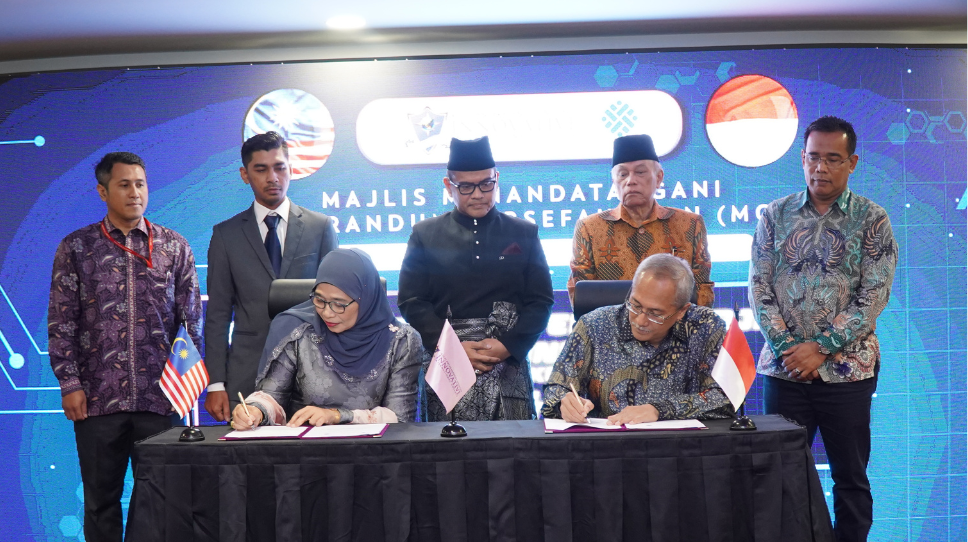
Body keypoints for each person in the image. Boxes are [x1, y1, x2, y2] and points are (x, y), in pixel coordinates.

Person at [749, 115, 897, 542]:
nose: (821, 167)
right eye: (814, 156)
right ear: (803, 157)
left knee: (850, 476)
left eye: (833, 159)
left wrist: (823, 347)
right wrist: (792, 348)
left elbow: (874, 297)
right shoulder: (774, 215)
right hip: (785, 371)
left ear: (851, 163)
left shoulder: (872, 219)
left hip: (847, 372)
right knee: (779, 476)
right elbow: (759, 289)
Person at [48, 152, 202, 542]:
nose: (135, 192)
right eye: (124, 185)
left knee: (163, 496)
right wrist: (70, 381)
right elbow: (61, 321)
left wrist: (190, 383)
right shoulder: (76, 248)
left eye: (141, 184)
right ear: (102, 192)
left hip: (161, 397)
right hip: (97, 396)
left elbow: (190, 322)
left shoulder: (173, 246)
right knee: (101, 497)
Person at [398, 136, 554, 421]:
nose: (479, 194)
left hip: (506, 358)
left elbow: (541, 302)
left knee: (513, 452)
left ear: (497, 179)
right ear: (449, 186)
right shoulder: (425, 234)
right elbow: (411, 301)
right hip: (448, 356)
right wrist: (452, 347)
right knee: (448, 452)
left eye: (486, 184)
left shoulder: (523, 232)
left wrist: (508, 345)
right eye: (466, 187)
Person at [204, 131, 337, 423]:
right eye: (261, 169)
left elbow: (336, 303)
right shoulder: (225, 235)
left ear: (291, 169)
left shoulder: (320, 227)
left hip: (314, 374)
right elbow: (217, 314)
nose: (272, 177)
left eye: (279, 167)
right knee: (249, 466)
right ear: (245, 174)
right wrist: (215, 383)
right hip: (246, 375)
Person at [232, 248, 423, 429]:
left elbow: (400, 417)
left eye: (339, 304)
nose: (327, 312)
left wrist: (338, 415)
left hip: (374, 453)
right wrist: (256, 410)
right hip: (305, 452)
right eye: (319, 300)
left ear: (366, 300)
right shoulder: (299, 332)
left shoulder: (401, 341)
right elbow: (273, 395)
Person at [543, 254, 733, 423]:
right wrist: (564, 402)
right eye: (635, 305)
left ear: (681, 311)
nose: (640, 320)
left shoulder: (706, 326)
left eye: (655, 313)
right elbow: (556, 389)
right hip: (608, 447)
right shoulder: (594, 325)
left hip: (681, 449)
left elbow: (726, 398)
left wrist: (660, 410)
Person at [567, 134, 714, 306]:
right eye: (622, 174)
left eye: (640, 172)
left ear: (658, 178)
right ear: (614, 181)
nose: (630, 181)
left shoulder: (689, 225)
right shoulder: (589, 228)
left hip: (676, 330)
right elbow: (581, 296)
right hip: (610, 331)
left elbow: (703, 291)